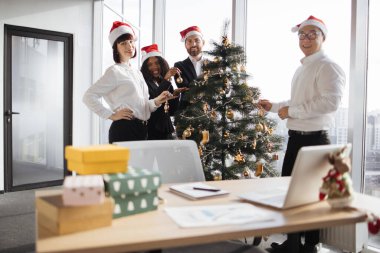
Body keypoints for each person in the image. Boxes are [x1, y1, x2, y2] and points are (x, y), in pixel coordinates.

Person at [259, 15, 345, 253]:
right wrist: (275, 106)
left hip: (315, 140)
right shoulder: (302, 68)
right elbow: (298, 102)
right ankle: (293, 243)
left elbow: (329, 103)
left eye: (312, 34)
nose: (306, 39)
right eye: (302, 35)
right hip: (296, 138)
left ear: (323, 37)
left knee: (312, 197)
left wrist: (291, 110)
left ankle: (310, 246)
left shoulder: (328, 66)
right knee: (292, 193)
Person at [83, 21, 172, 143]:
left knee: (139, 163)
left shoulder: (137, 72)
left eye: (131, 41)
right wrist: (111, 115)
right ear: (116, 48)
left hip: (142, 130)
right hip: (124, 130)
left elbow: (143, 106)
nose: (129, 46)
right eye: (123, 43)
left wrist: (157, 101)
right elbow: (88, 96)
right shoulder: (114, 71)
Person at [140, 44, 186, 140]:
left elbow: (172, 111)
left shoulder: (164, 82)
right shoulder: (143, 83)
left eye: (157, 63)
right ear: (145, 67)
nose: (154, 67)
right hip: (152, 131)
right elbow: (154, 101)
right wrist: (166, 79)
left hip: (167, 130)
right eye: (150, 65)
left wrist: (175, 95)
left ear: (162, 64)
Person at [174, 25, 206, 109]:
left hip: (210, 112)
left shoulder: (212, 64)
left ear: (203, 43)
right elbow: (185, 88)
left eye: (197, 40)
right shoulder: (179, 66)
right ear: (185, 45)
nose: (193, 44)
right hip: (186, 113)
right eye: (189, 41)